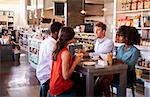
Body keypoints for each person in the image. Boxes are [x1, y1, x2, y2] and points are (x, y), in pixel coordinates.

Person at [81, 22, 114, 97]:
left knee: (98, 79)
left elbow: (99, 53)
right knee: (85, 77)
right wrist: (86, 52)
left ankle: (92, 93)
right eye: (95, 30)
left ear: (104, 31)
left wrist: (87, 54)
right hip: (97, 67)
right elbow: (95, 53)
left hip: (107, 69)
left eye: (98, 30)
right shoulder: (97, 41)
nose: (96, 32)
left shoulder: (109, 42)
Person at [49, 27, 83, 96]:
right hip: (60, 87)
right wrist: (75, 62)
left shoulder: (56, 48)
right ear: (70, 39)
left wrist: (73, 58)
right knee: (83, 85)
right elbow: (66, 76)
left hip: (53, 84)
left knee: (78, 78)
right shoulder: (65, 53)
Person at [36, 22, 63, 97]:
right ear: (56, 32)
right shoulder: (52, 45)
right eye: (61, 32)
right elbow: (54, 65)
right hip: (47, 75)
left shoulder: (46, 41)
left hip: (41, 72)